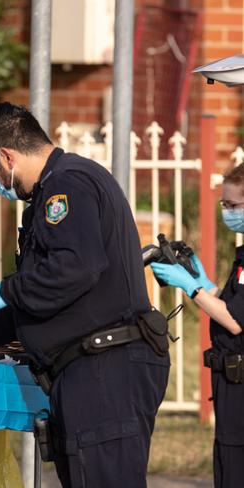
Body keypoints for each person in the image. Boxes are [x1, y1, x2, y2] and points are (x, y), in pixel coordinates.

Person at [0, 102, 171, 488]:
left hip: (106, 369)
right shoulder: (46, 196)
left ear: (6, 157)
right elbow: (34, 295)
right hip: (87, 370)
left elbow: (73, 269)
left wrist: (4, 289)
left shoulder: (66, 185)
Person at [151, 164, 244, 488]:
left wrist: (191, 288)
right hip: (230, 384)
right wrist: (202, 281)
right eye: (224, 205)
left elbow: (235, 321)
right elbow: (233, 305)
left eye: (233, 206)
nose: (227, 212)